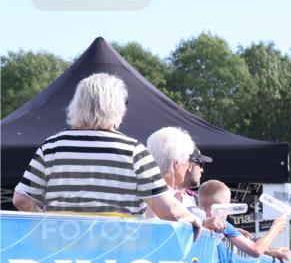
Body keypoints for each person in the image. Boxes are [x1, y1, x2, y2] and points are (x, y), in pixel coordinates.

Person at [12, 73, 201, 232]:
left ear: (77, 105)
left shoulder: (51, 147)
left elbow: (21, 199)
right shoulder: (134, 152)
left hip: (60, 255)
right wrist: (192, 217)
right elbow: (167, 210)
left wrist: (48, 224)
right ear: (117, 107)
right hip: (118, 259)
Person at [196, 180, 289, 260]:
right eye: (228, 204)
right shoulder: (223, 224)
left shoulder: (191, 218)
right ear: (223, 206)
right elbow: (256, 250)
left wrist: (270, 252)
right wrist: (275, 228)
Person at [145, 126, 208, 211]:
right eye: (187, 161)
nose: (189, 166)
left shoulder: (137, 189)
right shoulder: (159, 197)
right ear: (176, 163)